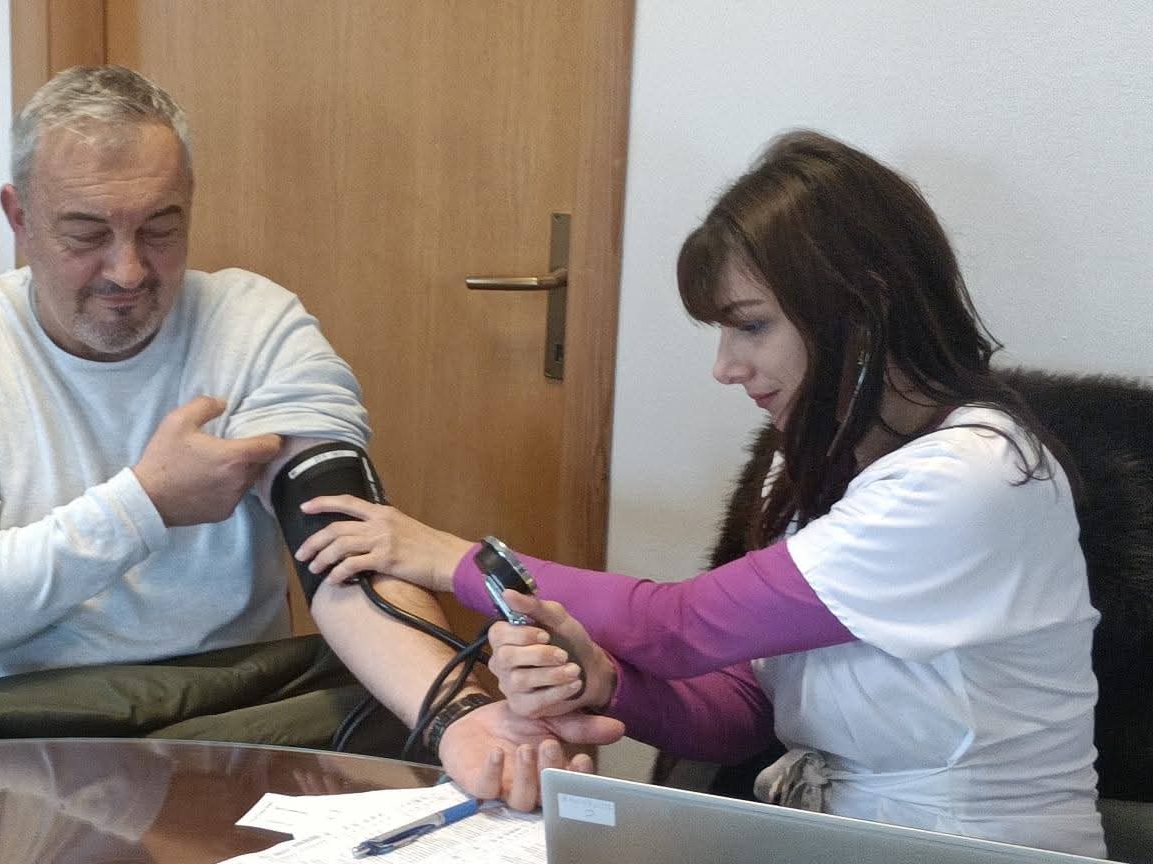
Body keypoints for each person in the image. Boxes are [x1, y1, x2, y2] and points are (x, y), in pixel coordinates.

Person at [295, 131, 1105, 855]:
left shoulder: (973, 476)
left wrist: (451, 560)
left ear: (863, 306)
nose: (725, 366)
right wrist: (603, 681)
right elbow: (742, 711)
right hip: (831, 837)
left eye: (751, 326)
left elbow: (680, 626)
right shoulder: (811, 462)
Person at [0, 65, 619, 806]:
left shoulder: (255, 327)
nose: (128, 270)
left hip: (230, 713)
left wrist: (457, 716)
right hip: (20, 736)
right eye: (86, 234)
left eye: (160, 229)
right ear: (19, 217)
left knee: (401, 716)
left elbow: (349, 553)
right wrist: (143, 505)